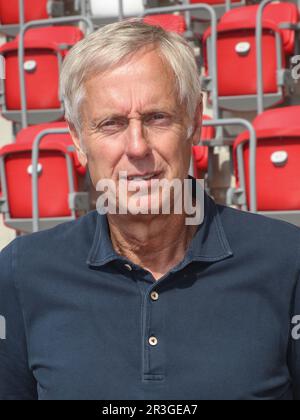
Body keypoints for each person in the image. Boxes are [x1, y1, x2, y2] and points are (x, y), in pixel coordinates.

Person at [0, 20, 299, 400]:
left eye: (157, 117)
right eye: (111, 123)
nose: (137, 147)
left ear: (194, 121)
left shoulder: (288, 261)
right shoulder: (20, 273)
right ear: (77, 138)